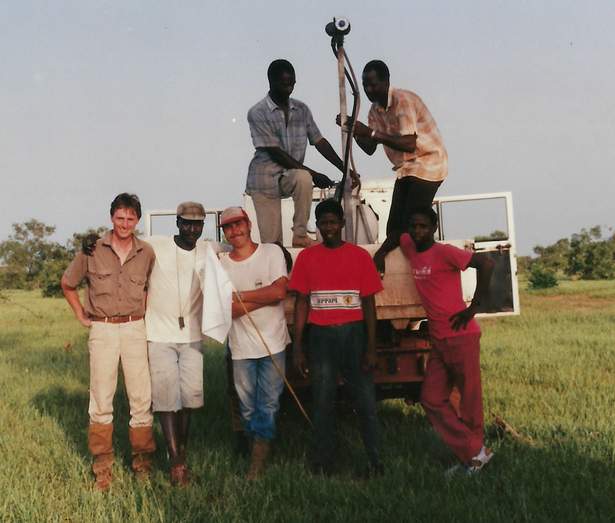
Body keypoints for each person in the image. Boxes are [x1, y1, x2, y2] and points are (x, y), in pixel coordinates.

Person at [61, 193, 156, 491]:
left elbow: (148, 289)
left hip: (134, 329)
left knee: (141, 398)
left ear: (137, 220)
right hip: (101, 330)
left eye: (130, 218)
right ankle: (103, 467)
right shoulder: (92, 250)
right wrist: (81, 316)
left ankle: (142, 464)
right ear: (111, 218)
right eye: (119, 217)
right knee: (101, 399)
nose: (125, 224)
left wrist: (137, 315)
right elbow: (68, 283)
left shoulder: (147, 252)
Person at [289, 199, 383, 477]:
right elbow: (301, 303)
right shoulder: (307, 258)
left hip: (354, 334)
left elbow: (369, 306)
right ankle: (322, 463)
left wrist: (371, 348)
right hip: (321, 337)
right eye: (323, 223)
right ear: (316, 227)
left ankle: (375, 463)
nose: (328, 228)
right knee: (322, 401)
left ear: (342, 224)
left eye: (333, 222)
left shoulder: (359, 256)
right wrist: (297, 347)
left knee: (365, 402)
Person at [400, 207, 495, 476]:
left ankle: (473, 458)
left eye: (422, 226)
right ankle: (473, 452)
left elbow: (486, 264)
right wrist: (383, 253)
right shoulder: (411, 247)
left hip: (461, 335)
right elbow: (397, 234)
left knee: (469, 400)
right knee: (430, 399)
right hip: (439, 340)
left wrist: (473, 307)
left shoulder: (444, 252)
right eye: (413, 226)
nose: (417, 231)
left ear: (434, 228)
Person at [144, 202, 229, 486]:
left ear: (203, 226)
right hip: (159, 333)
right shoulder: (155, 244)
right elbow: (124, 240)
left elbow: (238, 249)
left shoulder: (208, 248)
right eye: (186, 223)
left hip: (192, 335)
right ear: (177, 223)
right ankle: (176, 462)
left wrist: (278, 251)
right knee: (167, 399)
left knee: (190, 398)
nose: (191, 229)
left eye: (197, 224)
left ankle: (180, 454)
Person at [340, 60, 448, 275]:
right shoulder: (374, 110)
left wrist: (369, 133)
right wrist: (355, 130)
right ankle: (397, 268)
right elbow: (370, 148)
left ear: (386, 81)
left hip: (428, 162)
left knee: (411, 225)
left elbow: (409, 143)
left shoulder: (402, 101)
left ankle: (429, 267)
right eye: (365, 85)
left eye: (373, 84)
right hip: (407, 168)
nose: (369, 90)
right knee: (394, 228)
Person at [247, 59, 356, 248]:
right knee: (273, 245)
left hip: (290, 174)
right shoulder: (257, 112)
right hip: (263, 181)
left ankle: (300, 234)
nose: (290, 89)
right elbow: (276, 153)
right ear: (271, 82)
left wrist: (345, 168)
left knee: (303, 177)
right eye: (285, 85)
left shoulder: (302, 109)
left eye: (292, 84)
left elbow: (320, 142)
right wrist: (316, 175)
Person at [218, 206, 290, 479]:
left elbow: (279, 291)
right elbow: (227, 310)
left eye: (239, 224)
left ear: (249, 225)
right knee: (247, 405)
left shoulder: (271, 252)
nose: (235, 231)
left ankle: (257, 463)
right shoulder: (222, 263)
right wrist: (259, 297)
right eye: (228, 227)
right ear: (224, 232)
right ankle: (255, 449)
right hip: (241, 348)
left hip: (273, 343)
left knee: (269, 402)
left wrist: (239, 296)